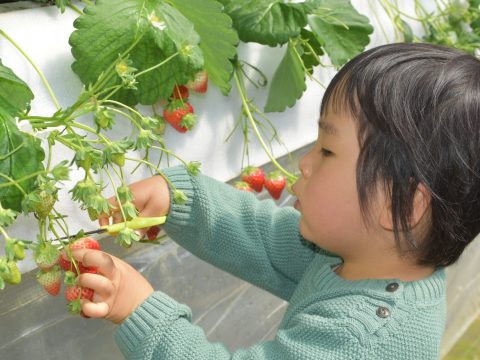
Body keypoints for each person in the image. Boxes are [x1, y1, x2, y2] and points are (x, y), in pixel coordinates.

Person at [71, 43, 480, 359]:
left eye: (327, 151)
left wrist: (140, 311)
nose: (304, 163)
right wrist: (182, 199)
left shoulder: (362, 340)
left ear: (404, 206)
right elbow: (265, 238)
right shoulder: (370, 257)